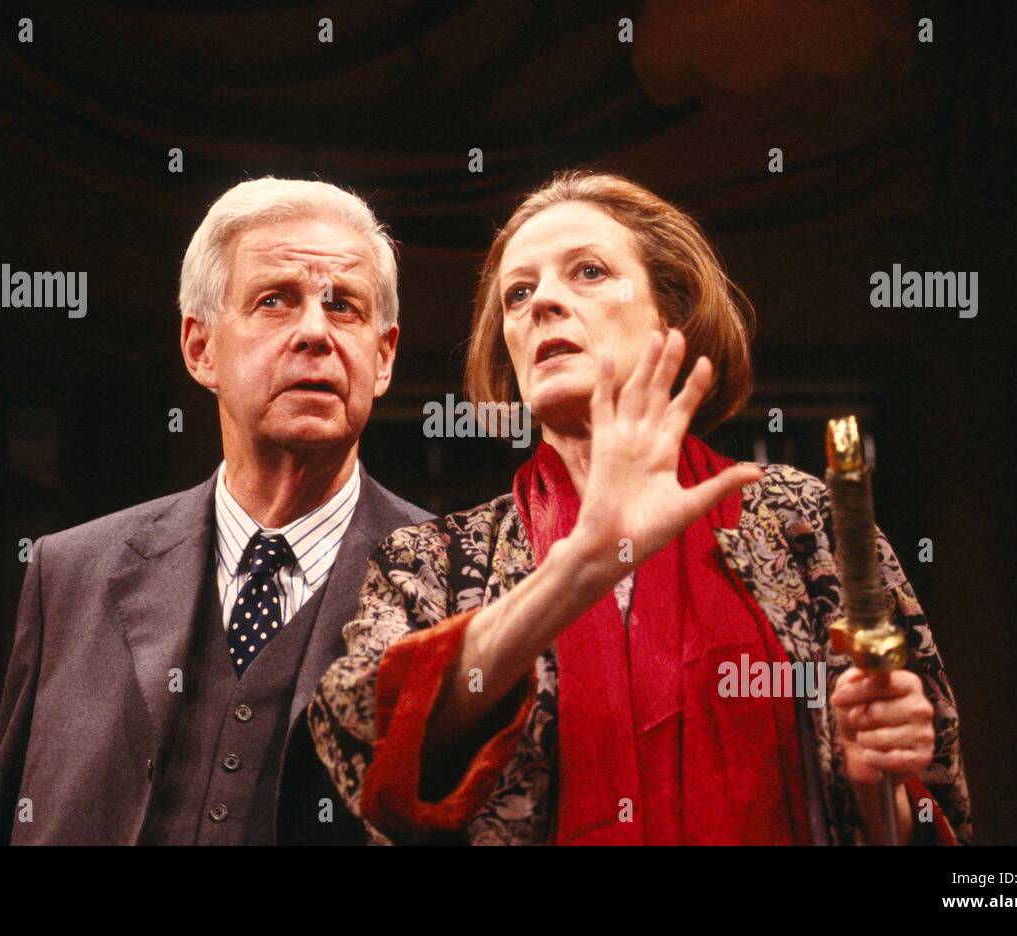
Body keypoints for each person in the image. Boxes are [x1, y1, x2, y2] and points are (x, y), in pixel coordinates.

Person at [309, 171, 972, 845]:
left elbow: (926, 811)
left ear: (669, 311)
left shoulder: (803, 521)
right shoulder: (431, 560)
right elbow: (365, 745)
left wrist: (875, 790)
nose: (543, 304)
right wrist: (585, 564)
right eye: (519, 293)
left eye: (589, 272)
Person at [0, 178, 429, 845]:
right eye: (275, 300)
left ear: (382, 357)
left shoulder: (459, 585)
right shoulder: (70, 573)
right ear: (200, 347)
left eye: (345, 307)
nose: (314, 333)